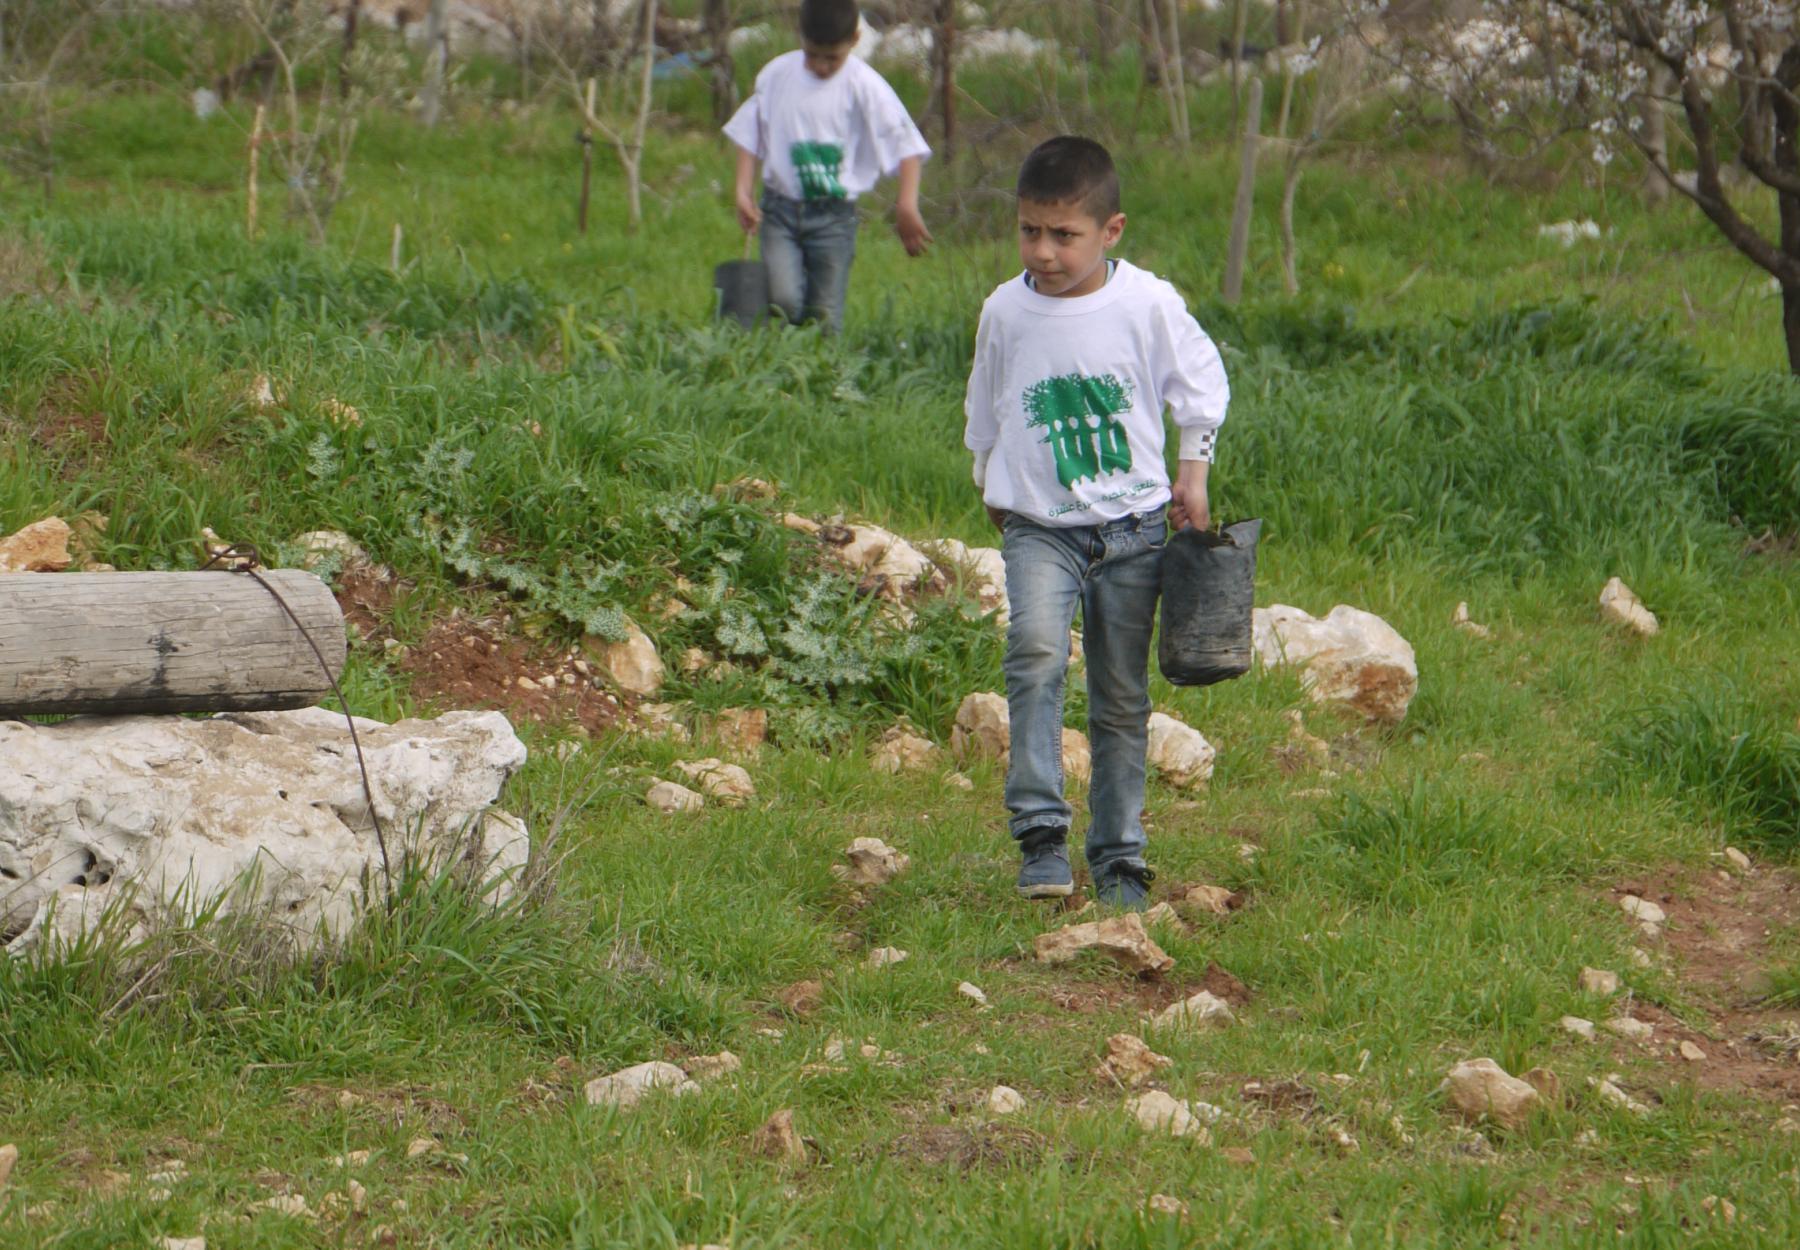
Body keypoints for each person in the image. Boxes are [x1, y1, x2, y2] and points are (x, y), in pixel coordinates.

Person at [963, 136, 1230, 909]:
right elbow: (987, 398)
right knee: (1037, 652)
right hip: (1040, 526)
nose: (1043, 252)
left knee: (1119, 696)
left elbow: (1200, 385)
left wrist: (1193, 471)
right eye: (1028, 232)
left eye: (1063, 235)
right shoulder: (1005, 310)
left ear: (1110, 230)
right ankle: (1041, 833)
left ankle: (1119, 856)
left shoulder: (1146, 304)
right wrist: (989, 474)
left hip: (1135, 530)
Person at [723, 0, 932, 332]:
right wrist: (743, 191)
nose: (820, 66)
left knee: (824, 313)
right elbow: (752, 131)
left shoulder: (865, 85)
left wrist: (906, 204)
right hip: (780, 212)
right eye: (812, 55)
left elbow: (904, 144)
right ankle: (768, 351)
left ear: (855, 38)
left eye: (832, 58)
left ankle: (820, 376)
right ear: (800, 36)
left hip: (834, 220)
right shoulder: (777, 75)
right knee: (784, 298)